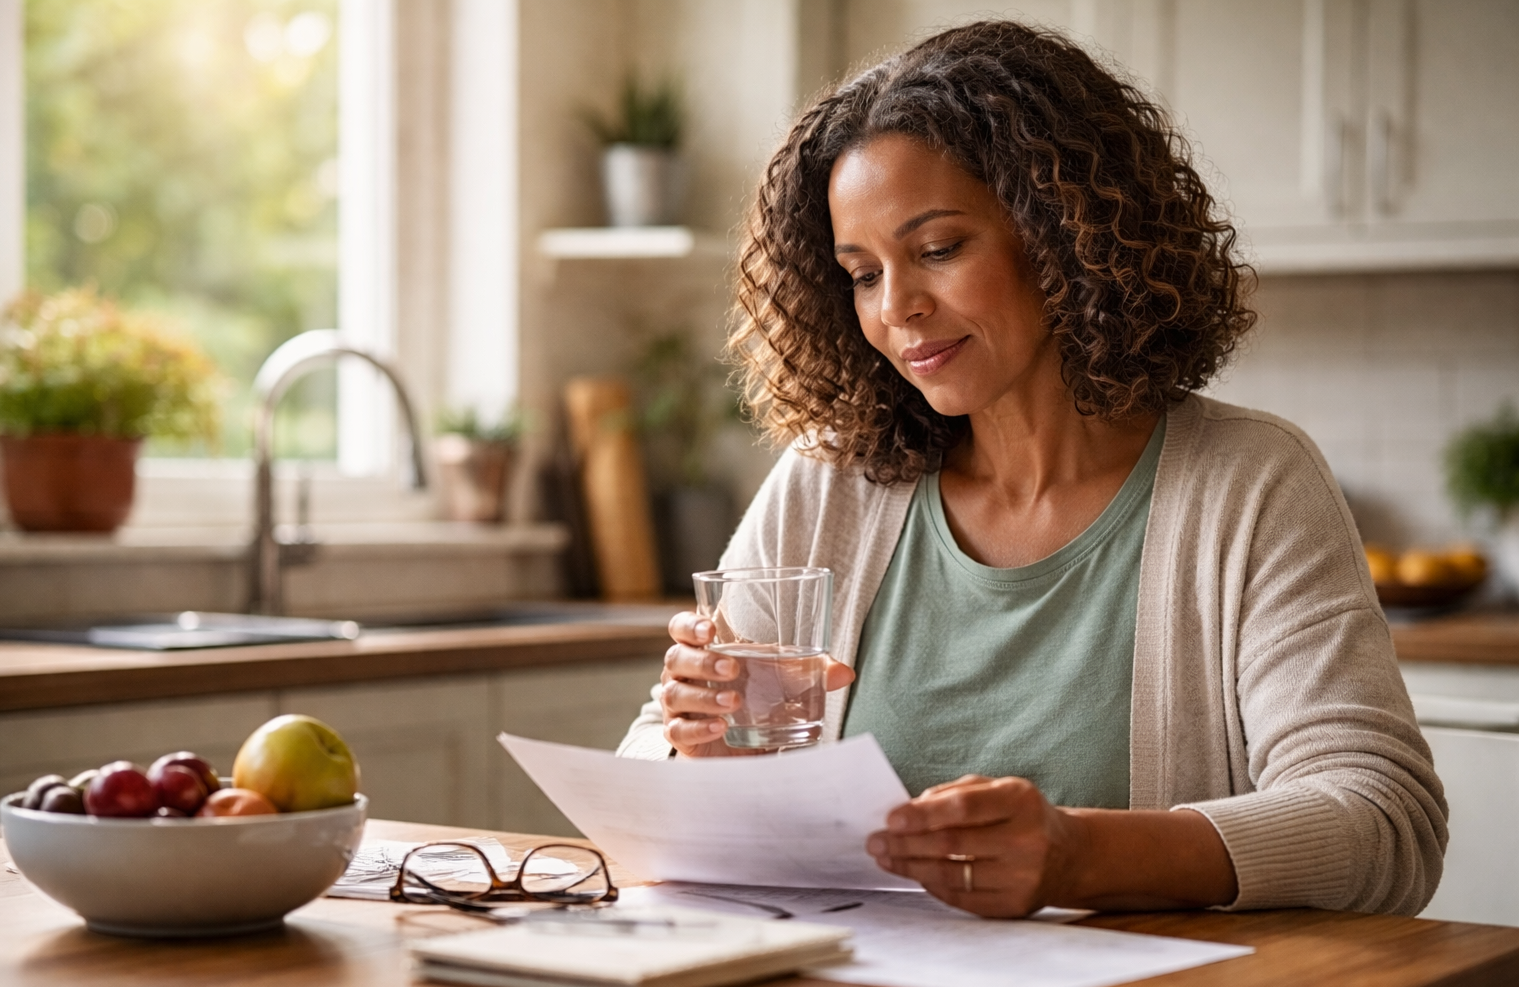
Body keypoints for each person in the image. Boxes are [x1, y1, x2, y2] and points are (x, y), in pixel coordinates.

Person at [617, 20, 1446, 919]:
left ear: (1065, 234)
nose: (898, 308)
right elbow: (644, 784)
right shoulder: (830, 488)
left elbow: (1383, 822)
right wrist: (704, 759)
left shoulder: (1249, 485)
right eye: (862, 273)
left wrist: (1078, 857)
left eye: (938, 250)